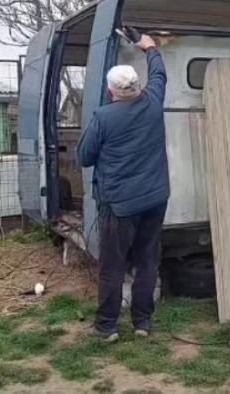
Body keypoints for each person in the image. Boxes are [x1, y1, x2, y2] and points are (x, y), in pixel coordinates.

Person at [76, 34, 169, 342]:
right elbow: (160, 74)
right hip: (155, 199)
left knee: (113, 267)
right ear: (138, 87)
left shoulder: (103, 117)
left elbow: (84, 157)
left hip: (119, 205)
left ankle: (107, 327)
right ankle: (142, 322)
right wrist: (150, 47)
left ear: (109, 91)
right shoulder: (154, 103)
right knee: (147, 262)